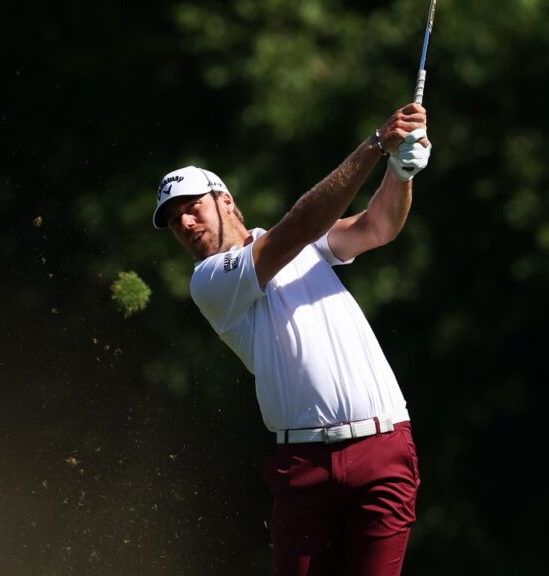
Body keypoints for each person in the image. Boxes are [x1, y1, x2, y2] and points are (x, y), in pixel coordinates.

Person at [152, 102, 432, 575]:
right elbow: (299, 227)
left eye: (191, 208)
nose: (185, 224)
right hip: (304, 465)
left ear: (225, 202)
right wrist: (375, 145)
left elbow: (377, 226)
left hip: (383, 448)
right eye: (175, 221)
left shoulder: (305, 246)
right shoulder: (209, 282)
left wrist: (400, 173)